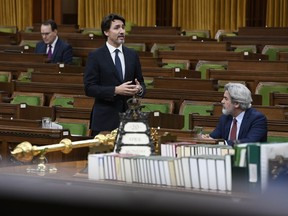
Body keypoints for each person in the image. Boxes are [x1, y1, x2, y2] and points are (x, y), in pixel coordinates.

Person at [83, 13, 146, 137]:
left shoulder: (132, 55)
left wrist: (139, 89)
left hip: (129, 119)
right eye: (117, 28)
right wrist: (115, 90)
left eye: (123, 27)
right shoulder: (96, 56)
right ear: (106, 32)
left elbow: (141, 83)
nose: (122, 31)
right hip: (105, 121)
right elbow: (89, 88)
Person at [202, 82, 267, 146]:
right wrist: (206, 139)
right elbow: (214, 137)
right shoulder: (225, 117)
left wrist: (224, 143)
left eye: (226, 99)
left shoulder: (257, 119)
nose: (222, 101)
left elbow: (250, 142)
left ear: (236, 104)